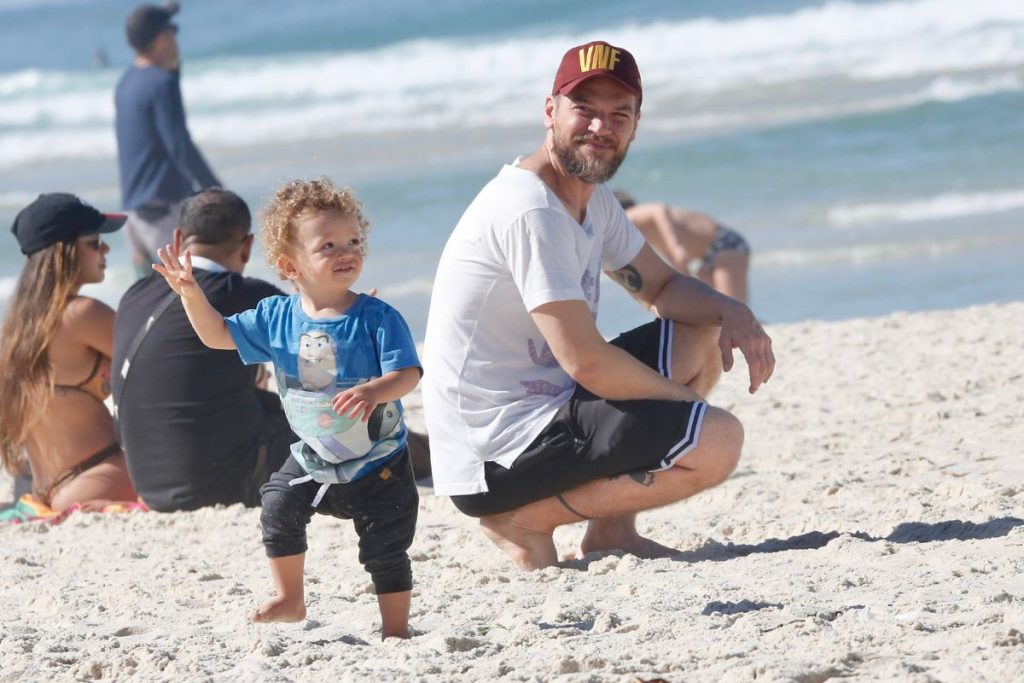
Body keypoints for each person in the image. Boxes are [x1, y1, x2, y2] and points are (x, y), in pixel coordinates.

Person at [422, 41, 775, 570]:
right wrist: (684, 404)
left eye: (618, 114)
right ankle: (524, 519)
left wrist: (732, 310)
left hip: (548, 408)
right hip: (495, 450)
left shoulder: (590, 195)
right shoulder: (529, 211)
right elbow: (585, 361)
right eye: (584, 108)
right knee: (718, 440)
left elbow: (660, 288)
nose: (599, 127)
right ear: (551, 111)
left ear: (635, 125)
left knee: (697, 331)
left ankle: (611, 532)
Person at [153, 178, 422, 638]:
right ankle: (290, 598)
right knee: (277, 506)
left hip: (379, 460)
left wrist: (374, 391)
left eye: (354, 241)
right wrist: (191, 295)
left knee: (385, 547)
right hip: (314, 453)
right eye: (329, 245)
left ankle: (394, 628)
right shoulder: (275, 317)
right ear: (288, 264)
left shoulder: (378, 318)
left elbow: (410, 374)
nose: (347, 251)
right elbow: (217, 335)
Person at [112, 188, 293, 512]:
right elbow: (318, 345)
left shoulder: (134, 294)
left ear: (179, 238)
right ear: (247, 246)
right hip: (223, 482)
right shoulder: (246, 294)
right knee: (352, 433)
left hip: (151, 486)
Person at [0, 193, 138, 512]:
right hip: (99, 474)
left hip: (46, 487)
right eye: (94, 242)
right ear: (64, 252)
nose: (105, 250)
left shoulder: (18, 330)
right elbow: (157, 366)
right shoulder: (81, 314)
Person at [115, 2, 220, 277]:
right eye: (172, 30)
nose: (176, 37)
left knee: (148, 303)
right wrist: (214, 190)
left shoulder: (127, 82)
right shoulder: (161, 84)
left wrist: (173, 70)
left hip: (135, 213)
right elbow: (179, 145)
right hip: (162, 212)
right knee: (186, 296)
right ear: (161, 39)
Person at [615, 191, 751, 303]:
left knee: (732, 305)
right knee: (716, 306)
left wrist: (676, 246)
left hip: (724, 244)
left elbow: (658, 210)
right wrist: (681, 273)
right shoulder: (644, 229)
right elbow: (667, 249)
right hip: (707, 256)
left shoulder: (629, 216)